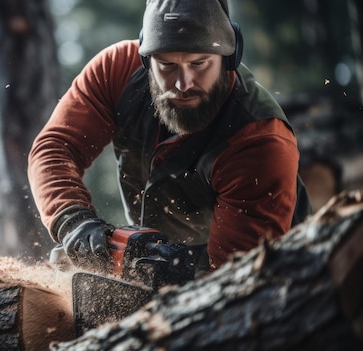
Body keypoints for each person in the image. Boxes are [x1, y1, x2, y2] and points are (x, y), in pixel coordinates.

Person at [27, 0, 311, 275]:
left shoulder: (259, 141)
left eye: (199, 64)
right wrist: (73, 220)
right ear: (145, 59)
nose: (182, 84)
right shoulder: (116, 71)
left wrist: (169, 268)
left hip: (278, 284)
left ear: (229, 57)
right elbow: (54, 148)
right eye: (166, 65)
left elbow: (237, 279)